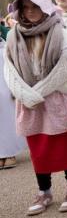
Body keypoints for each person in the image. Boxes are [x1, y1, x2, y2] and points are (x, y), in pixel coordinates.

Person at [4, 0, 67, 215]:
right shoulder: (13, 35)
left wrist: (38, 91)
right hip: (30, 103)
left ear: (44, 8)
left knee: (65, 145)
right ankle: (44, 191)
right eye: (25, 8)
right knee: (38, 149)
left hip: (55, 98)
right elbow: (9, 69)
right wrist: (25, 94)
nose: (30, 12)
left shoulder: (60, 32)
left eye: (35, 7)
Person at [0, 35, 26, 170]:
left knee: (8, 119)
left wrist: (15, 88)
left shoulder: (6, 49)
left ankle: (10, 153)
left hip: (5, 87)